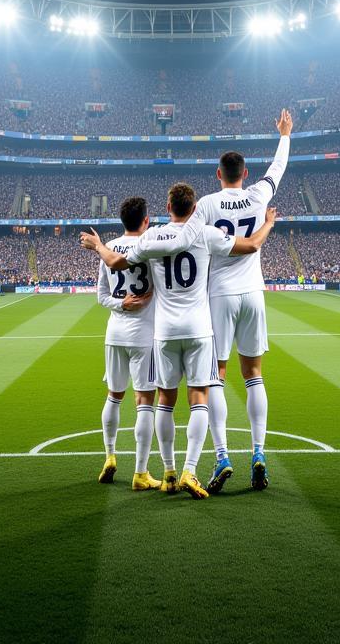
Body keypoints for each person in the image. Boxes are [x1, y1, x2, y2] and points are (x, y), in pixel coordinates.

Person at [83, 183, 277, 500]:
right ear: (195, 206)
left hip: (164, 331)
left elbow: (115, 263)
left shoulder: (153, 236)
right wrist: (267, 222)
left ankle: (170, 473)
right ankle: (191, 469)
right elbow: (252, 245)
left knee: (165, 401)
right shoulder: (206, 232)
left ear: (168, 206)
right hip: (200, 328)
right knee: (199, 396)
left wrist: (98, 246)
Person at [191, 107, 291, 493]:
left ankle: (221, 456)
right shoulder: (258, 194)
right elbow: (278, 169)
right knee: (255, 375)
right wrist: (284, 134)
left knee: (216, 376)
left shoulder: (206, 205)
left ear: (219, 174)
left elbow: (189, 240)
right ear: (245, 173)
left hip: (219, 296)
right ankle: (259, 452)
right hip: (254, 295)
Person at [93, 196, 160, 491]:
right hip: (143, 333)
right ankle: (141, 472)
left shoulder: (107, 249)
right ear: (145, 220)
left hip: (114, 333)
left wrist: (122, 304)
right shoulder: (150, 247)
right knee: (145, 401)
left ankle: (109, 455)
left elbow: (101, 296)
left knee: (113, 396)